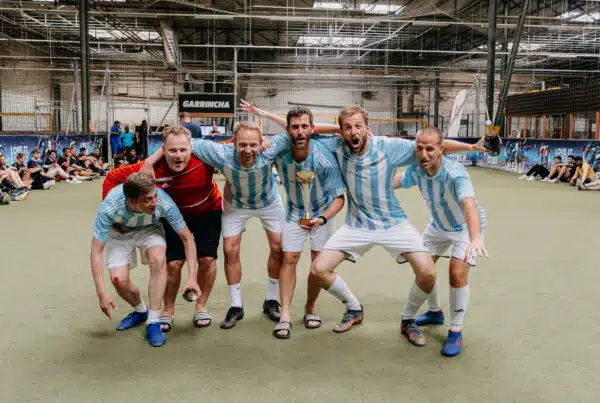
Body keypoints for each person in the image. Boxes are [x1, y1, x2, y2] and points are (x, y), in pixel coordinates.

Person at [305, 106, 484, 347]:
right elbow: (305, 131)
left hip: (393, 223)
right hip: (357, 225)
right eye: (347, 127)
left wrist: (471, 148)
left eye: (358, 126)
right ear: (341, 131)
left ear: (368, 128)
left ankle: (408, 319)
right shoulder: (336, 146)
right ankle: (354, 307)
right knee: (318, 270)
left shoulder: (387, 147)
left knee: (428, 272)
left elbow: (432, 145)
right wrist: (336, 130)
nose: (353, 132)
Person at [147, 122, 287, 329]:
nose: (248, 150)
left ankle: (271, 300)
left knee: (277, 248)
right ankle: (235, 306)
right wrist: (149, 160)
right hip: (234, 205)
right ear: (234, 143)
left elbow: (300, 131)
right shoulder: (221, 153)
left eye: (253, 144)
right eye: (242, 144)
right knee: (227, 251)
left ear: (260, 143)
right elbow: (181, 143)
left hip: (268, 203)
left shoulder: (270, 148)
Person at [242, 101, 345, 339]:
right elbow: (254, 155)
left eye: (304, 127)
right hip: (293, 212)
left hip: (323, 212)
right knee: (289, 258)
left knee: (318, 263)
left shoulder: (324, 156)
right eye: (295, 127)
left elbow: (339, 198)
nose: (300, 132)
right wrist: (263, 142)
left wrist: (322, 219)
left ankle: (310, 308)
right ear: (288, 130)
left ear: (312, 129)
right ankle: (285, 314)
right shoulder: (279, 148)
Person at [105, 125, 223, 331]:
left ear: (191, 148)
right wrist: (115, 219)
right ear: (163, 150)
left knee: (207, 259)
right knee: (173, 264)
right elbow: (112, 177)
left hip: (208, 211)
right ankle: (168, 310)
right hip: (174, 215)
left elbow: (235, 147)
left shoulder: (204, 157)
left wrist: (263, 142)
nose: (178, 155)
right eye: (172, 150)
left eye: (183, 150)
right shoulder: (150, 167)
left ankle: (201, 306)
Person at [393, 126, 487, 357]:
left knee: (456, 274)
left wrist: (475, 237)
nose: (423, 154)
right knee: (424, 270)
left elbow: (469, 205)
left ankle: (455, 331)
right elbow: (398, 180)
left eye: (429, 149)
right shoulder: (417, 170)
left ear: (441, 150)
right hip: (438, 227)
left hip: (464, 227)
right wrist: (367, 184)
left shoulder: (456, 174)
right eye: (419, 149)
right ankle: (435, 312)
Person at [90, 172, 200, 347]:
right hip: (119, 233)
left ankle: (153, 320)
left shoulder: (163, 202)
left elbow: (187, 238)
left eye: (155, 196)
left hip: (150, 229)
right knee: (118, 279)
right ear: (131, 201)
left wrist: (192, 276)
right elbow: (96, 251)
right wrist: (101, 293)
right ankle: (141, 311)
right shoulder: (109, 207)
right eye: (148, 199)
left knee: (158, 260)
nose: (154, 202)